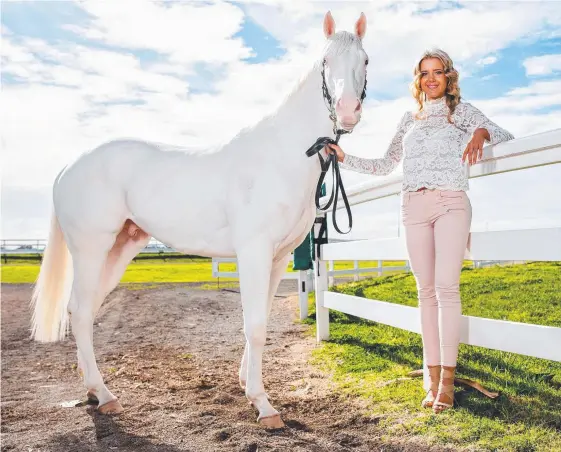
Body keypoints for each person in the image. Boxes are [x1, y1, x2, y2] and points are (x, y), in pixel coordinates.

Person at [326, 49, 514, 414]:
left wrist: (480, 131)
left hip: (450, 203)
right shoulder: (408, 119)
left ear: (448, 77)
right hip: (412, 206)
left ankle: (446, 382)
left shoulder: (459, 111)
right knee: (425, 293)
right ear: (418, 79)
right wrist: (345, 158)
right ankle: (430, 376)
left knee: (446, 288)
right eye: (425, 73)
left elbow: (503, 134)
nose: (431, 79)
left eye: (438, 72)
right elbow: (385, 165)